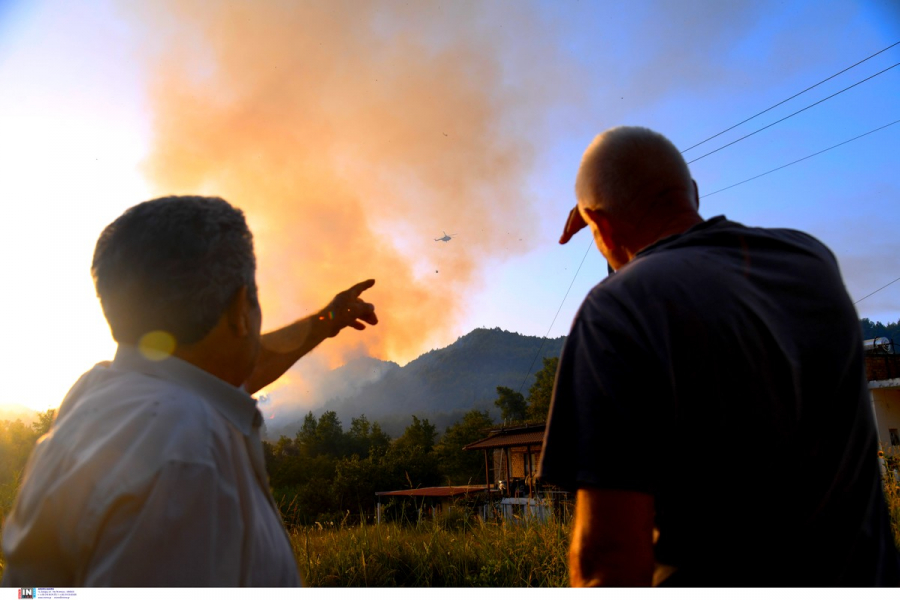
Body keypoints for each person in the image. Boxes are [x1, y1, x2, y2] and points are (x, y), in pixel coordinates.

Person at [538, 126, 900, 587]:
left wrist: (605, 225)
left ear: (600, 225)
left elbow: (607, 565)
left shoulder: (616, 311)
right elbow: (676, 272)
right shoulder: (810, 260)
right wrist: (610, 222)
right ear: (692, 192)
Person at [1, 195, 378, 586]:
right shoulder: (191, 460)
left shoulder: (100, 394)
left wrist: (323, 322)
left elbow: (227, 372)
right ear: (238, 309)